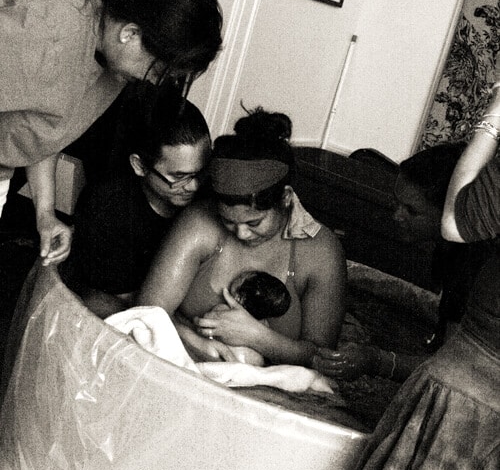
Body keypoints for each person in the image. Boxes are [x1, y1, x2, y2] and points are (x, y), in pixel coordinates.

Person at [299, 87, 500, 470]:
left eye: (410, 208)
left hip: (469, 395)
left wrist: (495, 119)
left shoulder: (468, 253)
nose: (396, 217)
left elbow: (454, 221)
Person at [0, 0, 222, 265]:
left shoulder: (110, 54)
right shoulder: (43, 30)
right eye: (158, 71)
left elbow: (41, 128)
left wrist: (45, 214)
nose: (155, 83)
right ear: (130, 34)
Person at [138, 107, 347, 365]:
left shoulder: (320, 251)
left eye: (254, 222)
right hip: (182, 358)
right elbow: (148, 310)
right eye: (228, 221)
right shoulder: (200, 222)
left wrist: (257, 337)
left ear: (285, 198)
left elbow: (322, 358)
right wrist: (199, 344)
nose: (241, 233)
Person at [313, 142, 492, 383]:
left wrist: (377, 361)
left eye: (411, 210)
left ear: (447, 212)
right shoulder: (447, 250)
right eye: (397, 202)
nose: (397, 215)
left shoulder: (472, 265)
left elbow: (452, 367)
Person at [60, 86, 211, 319]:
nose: (193, 186)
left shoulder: (209, 191)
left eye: (199, 173)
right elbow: (122, 304)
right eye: (179, 177)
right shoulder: (108, 208)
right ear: (139, 166)